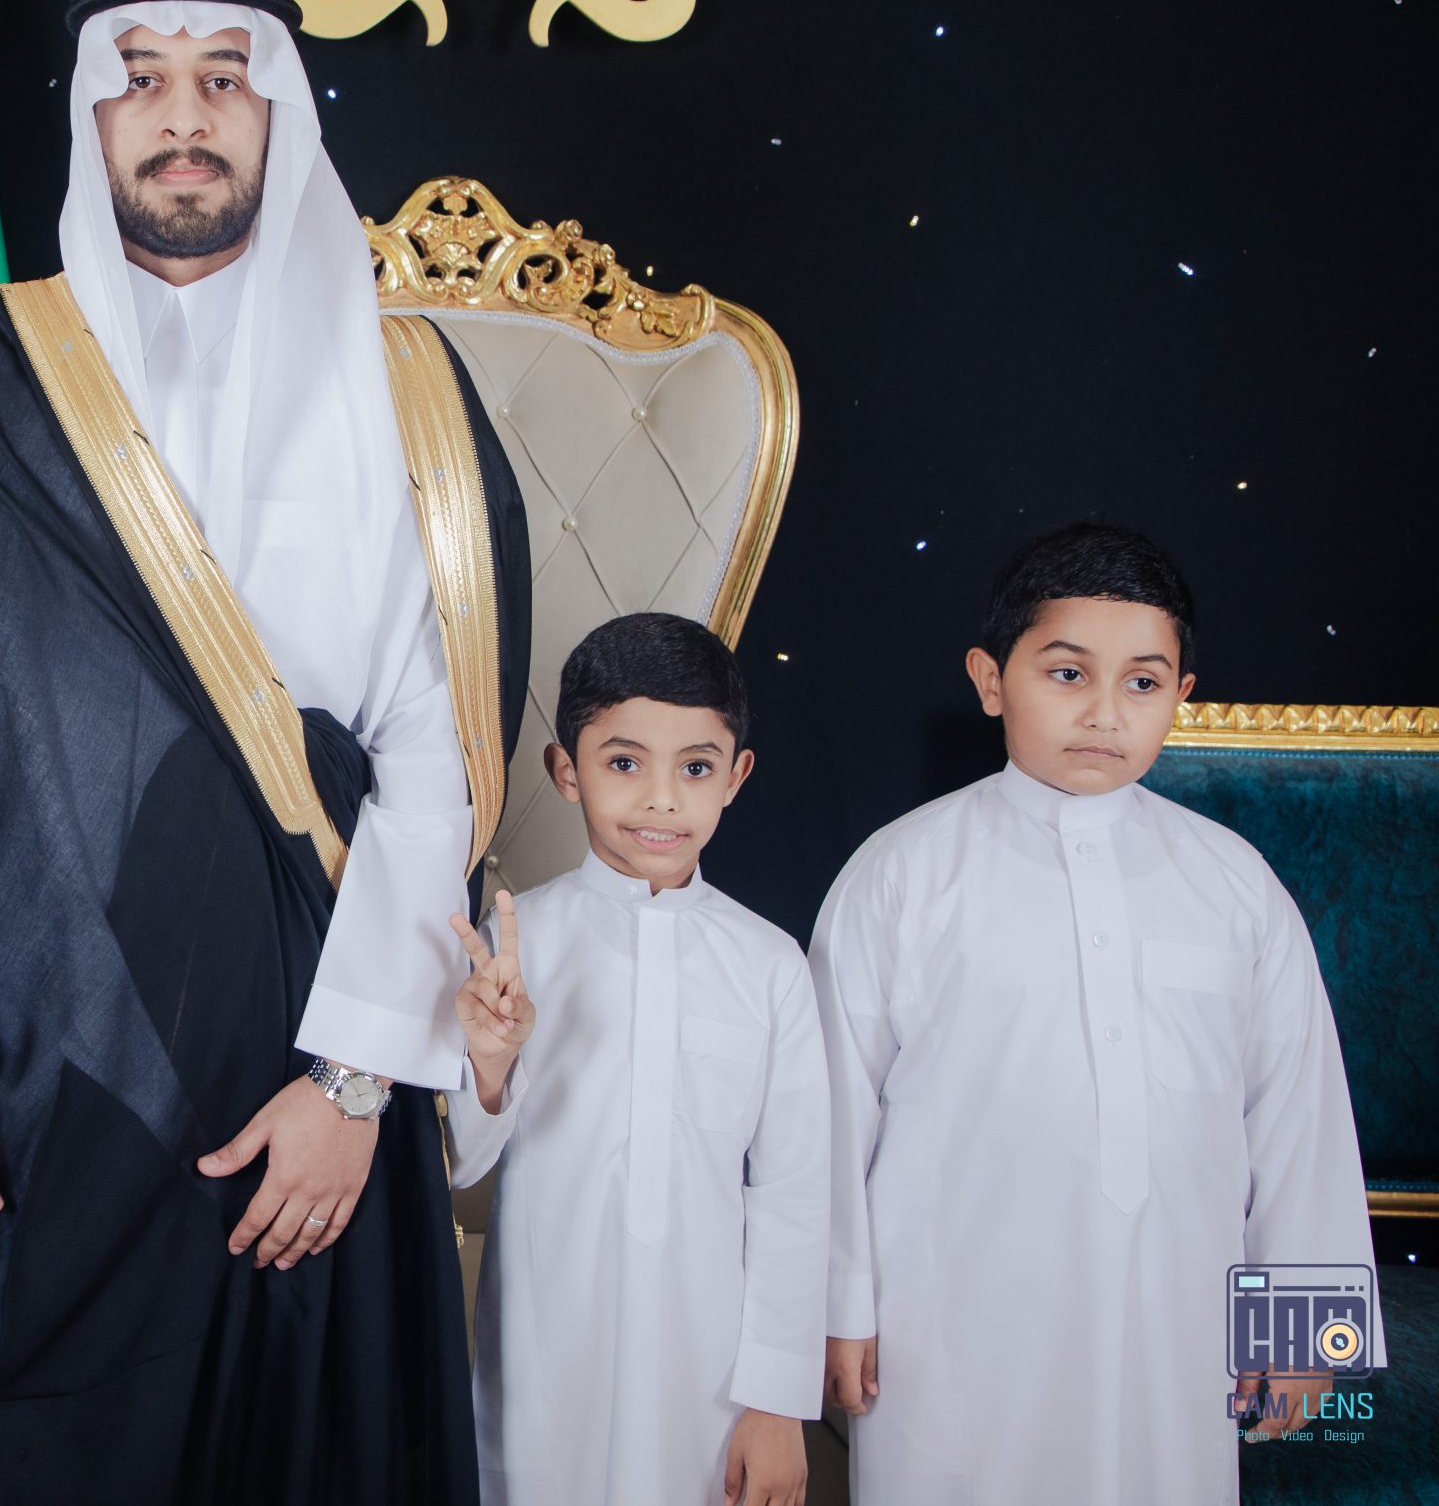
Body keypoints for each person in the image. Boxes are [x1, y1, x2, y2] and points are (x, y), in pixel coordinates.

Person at [0, 0, 530, 1504]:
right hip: (33, 1061)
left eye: (222, 79)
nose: (182, 116)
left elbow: (440, 752)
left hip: (309, 1050)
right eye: (140, 78)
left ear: (281, 114)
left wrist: (354, 1081)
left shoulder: (406, 386)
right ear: (92, 116)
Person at [813, 522, 1382, 1504]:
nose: (1105, 713)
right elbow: (827, 1111)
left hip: (1175, 1319)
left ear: (1181, 695)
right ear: (991, 680)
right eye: (1068, 673)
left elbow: (1300, 1115)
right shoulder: (902, 874)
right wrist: (835, 1302)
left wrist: (1302, 1330)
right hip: (946, 1316)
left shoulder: (1234, 884)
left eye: (1142, 682)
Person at [447, 613, 826, 1506]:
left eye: (694, 767)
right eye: (624, 762)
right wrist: (490, 1063)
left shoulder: (771, 963)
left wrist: (777, 1400)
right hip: (545, 1345)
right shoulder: (518, 942)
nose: (662, 799)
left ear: (736, 776)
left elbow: (796, 1193)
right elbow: (460, 1161)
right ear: (565, 770)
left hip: (712, 1371)